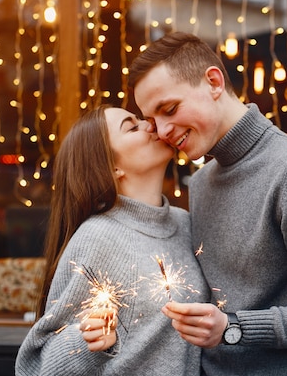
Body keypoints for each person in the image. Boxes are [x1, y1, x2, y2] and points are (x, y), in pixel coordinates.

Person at [128, 31, 287, 375]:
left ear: (213, 82)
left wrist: (233, 327)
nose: (163, 130)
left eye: (169, 109)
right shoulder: (199, 183)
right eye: (153, 120)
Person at [15, 105, 209, 376]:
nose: (150, 125)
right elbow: (37, 365)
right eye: (132, 126)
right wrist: (85, 341)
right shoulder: (98, 238)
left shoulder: (185, 223)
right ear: (112, 167)